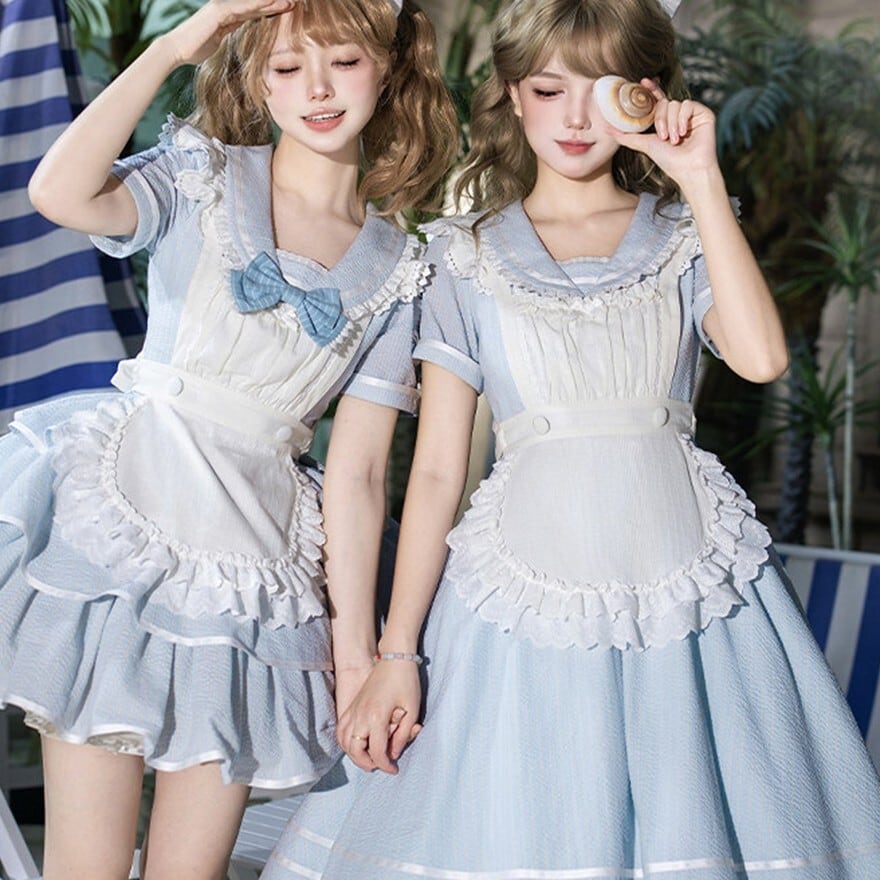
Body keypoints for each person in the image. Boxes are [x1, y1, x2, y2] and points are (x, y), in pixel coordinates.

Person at [262, 0, 880, 877]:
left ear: (647, 95)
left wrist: (701, 180)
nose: (577, 117)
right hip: (518, 597)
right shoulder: (464, 257)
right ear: (514, 96)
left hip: (687, 587)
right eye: (550, 90)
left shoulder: (686, 235)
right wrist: (396, 653)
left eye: (603, 89)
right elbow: (434, 474)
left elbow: (762, 358)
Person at [2, 0, 457, 876]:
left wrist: (355, 662)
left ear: (389, 67)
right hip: (123, 526)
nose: (316, 89)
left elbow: (360, 475)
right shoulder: (200, 174)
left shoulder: (399, 267)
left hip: (254, 573)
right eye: (287, 67)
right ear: (256, 81)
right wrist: (175, 47)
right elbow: (57, 192)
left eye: (343, 62)